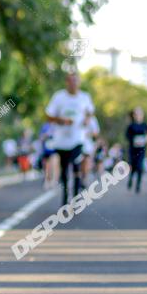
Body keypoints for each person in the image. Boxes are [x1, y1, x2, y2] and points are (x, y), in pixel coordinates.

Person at [45, 71, 95, 206]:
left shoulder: (85, 97)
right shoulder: (59, 97)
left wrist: (86, 119)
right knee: (65, 169)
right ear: (66, 82)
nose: (73, 83)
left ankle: (76, 197)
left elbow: (90, 112)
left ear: (79, 82)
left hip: (78, 140)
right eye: (70, 81)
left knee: (76, 166)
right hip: (61, 141)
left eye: (76, 80)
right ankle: (65, 197)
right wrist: (60, 120)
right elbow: (48, 116)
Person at [125, 108, 147, 193]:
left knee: (139, 166)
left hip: (141, 150)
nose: (138, 116)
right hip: (133, 149)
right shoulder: (131, 126)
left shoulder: (145, 125)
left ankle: (138, 185)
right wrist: (134, 140)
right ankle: (131, 179)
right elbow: (127, 136)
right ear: (134, 115)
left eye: (140, 114)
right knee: (133, 165)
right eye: (136, 114)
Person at [81, 114, 100, 188]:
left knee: (86, 160)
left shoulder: (93, 119)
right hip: (75, 143)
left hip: (87, 144)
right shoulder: (77, 115)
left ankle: (84, 178)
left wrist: (87, 134)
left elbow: (96, 133)